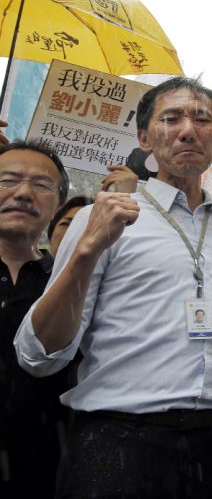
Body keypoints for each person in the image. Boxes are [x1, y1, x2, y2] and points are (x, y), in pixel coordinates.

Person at [15, 76, 212, 497]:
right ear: (144, 137)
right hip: (119, 443)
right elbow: (39, 356)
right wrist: (86, 250)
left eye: (201, 119)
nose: (188, 130)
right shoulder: (105, 219)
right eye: (171, 118)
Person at [0, 140, 70, 498]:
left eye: (42, 185)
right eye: (7, 181)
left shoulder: (66, 283)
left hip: (42, 465)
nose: (24, 193)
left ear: (58, 204)